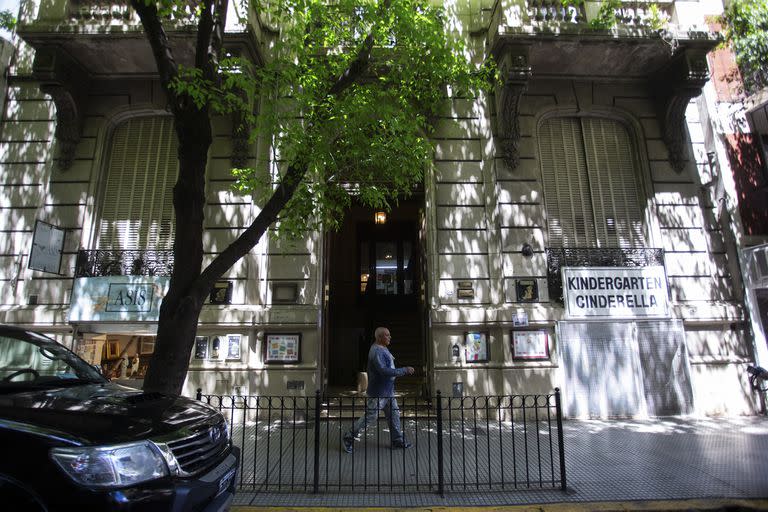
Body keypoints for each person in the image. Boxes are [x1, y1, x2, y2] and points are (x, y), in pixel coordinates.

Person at [343, 327, 415, 453]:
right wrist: (404, 370)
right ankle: (348, 437)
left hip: (387, 391)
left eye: (389, 335)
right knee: (370, 417)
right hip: (378, 392)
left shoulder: (383, 348)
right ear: (379, 337)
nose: (390, 337)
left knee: (394, 415)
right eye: (387, 335)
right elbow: (383, 371)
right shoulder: (376, 351)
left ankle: (397, 440)